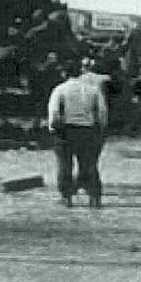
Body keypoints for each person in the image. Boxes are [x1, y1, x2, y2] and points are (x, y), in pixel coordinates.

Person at [47, 59, 108, 209]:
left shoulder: (60, 89)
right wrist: (100, 129)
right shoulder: (93, 89)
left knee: (65, 165)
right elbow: (102, 112)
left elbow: (54, 111)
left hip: (66, 131)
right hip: (88, 130)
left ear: (64, 73)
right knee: (89, 165)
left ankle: (67, 197)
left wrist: (53, 128)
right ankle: (94, 197)